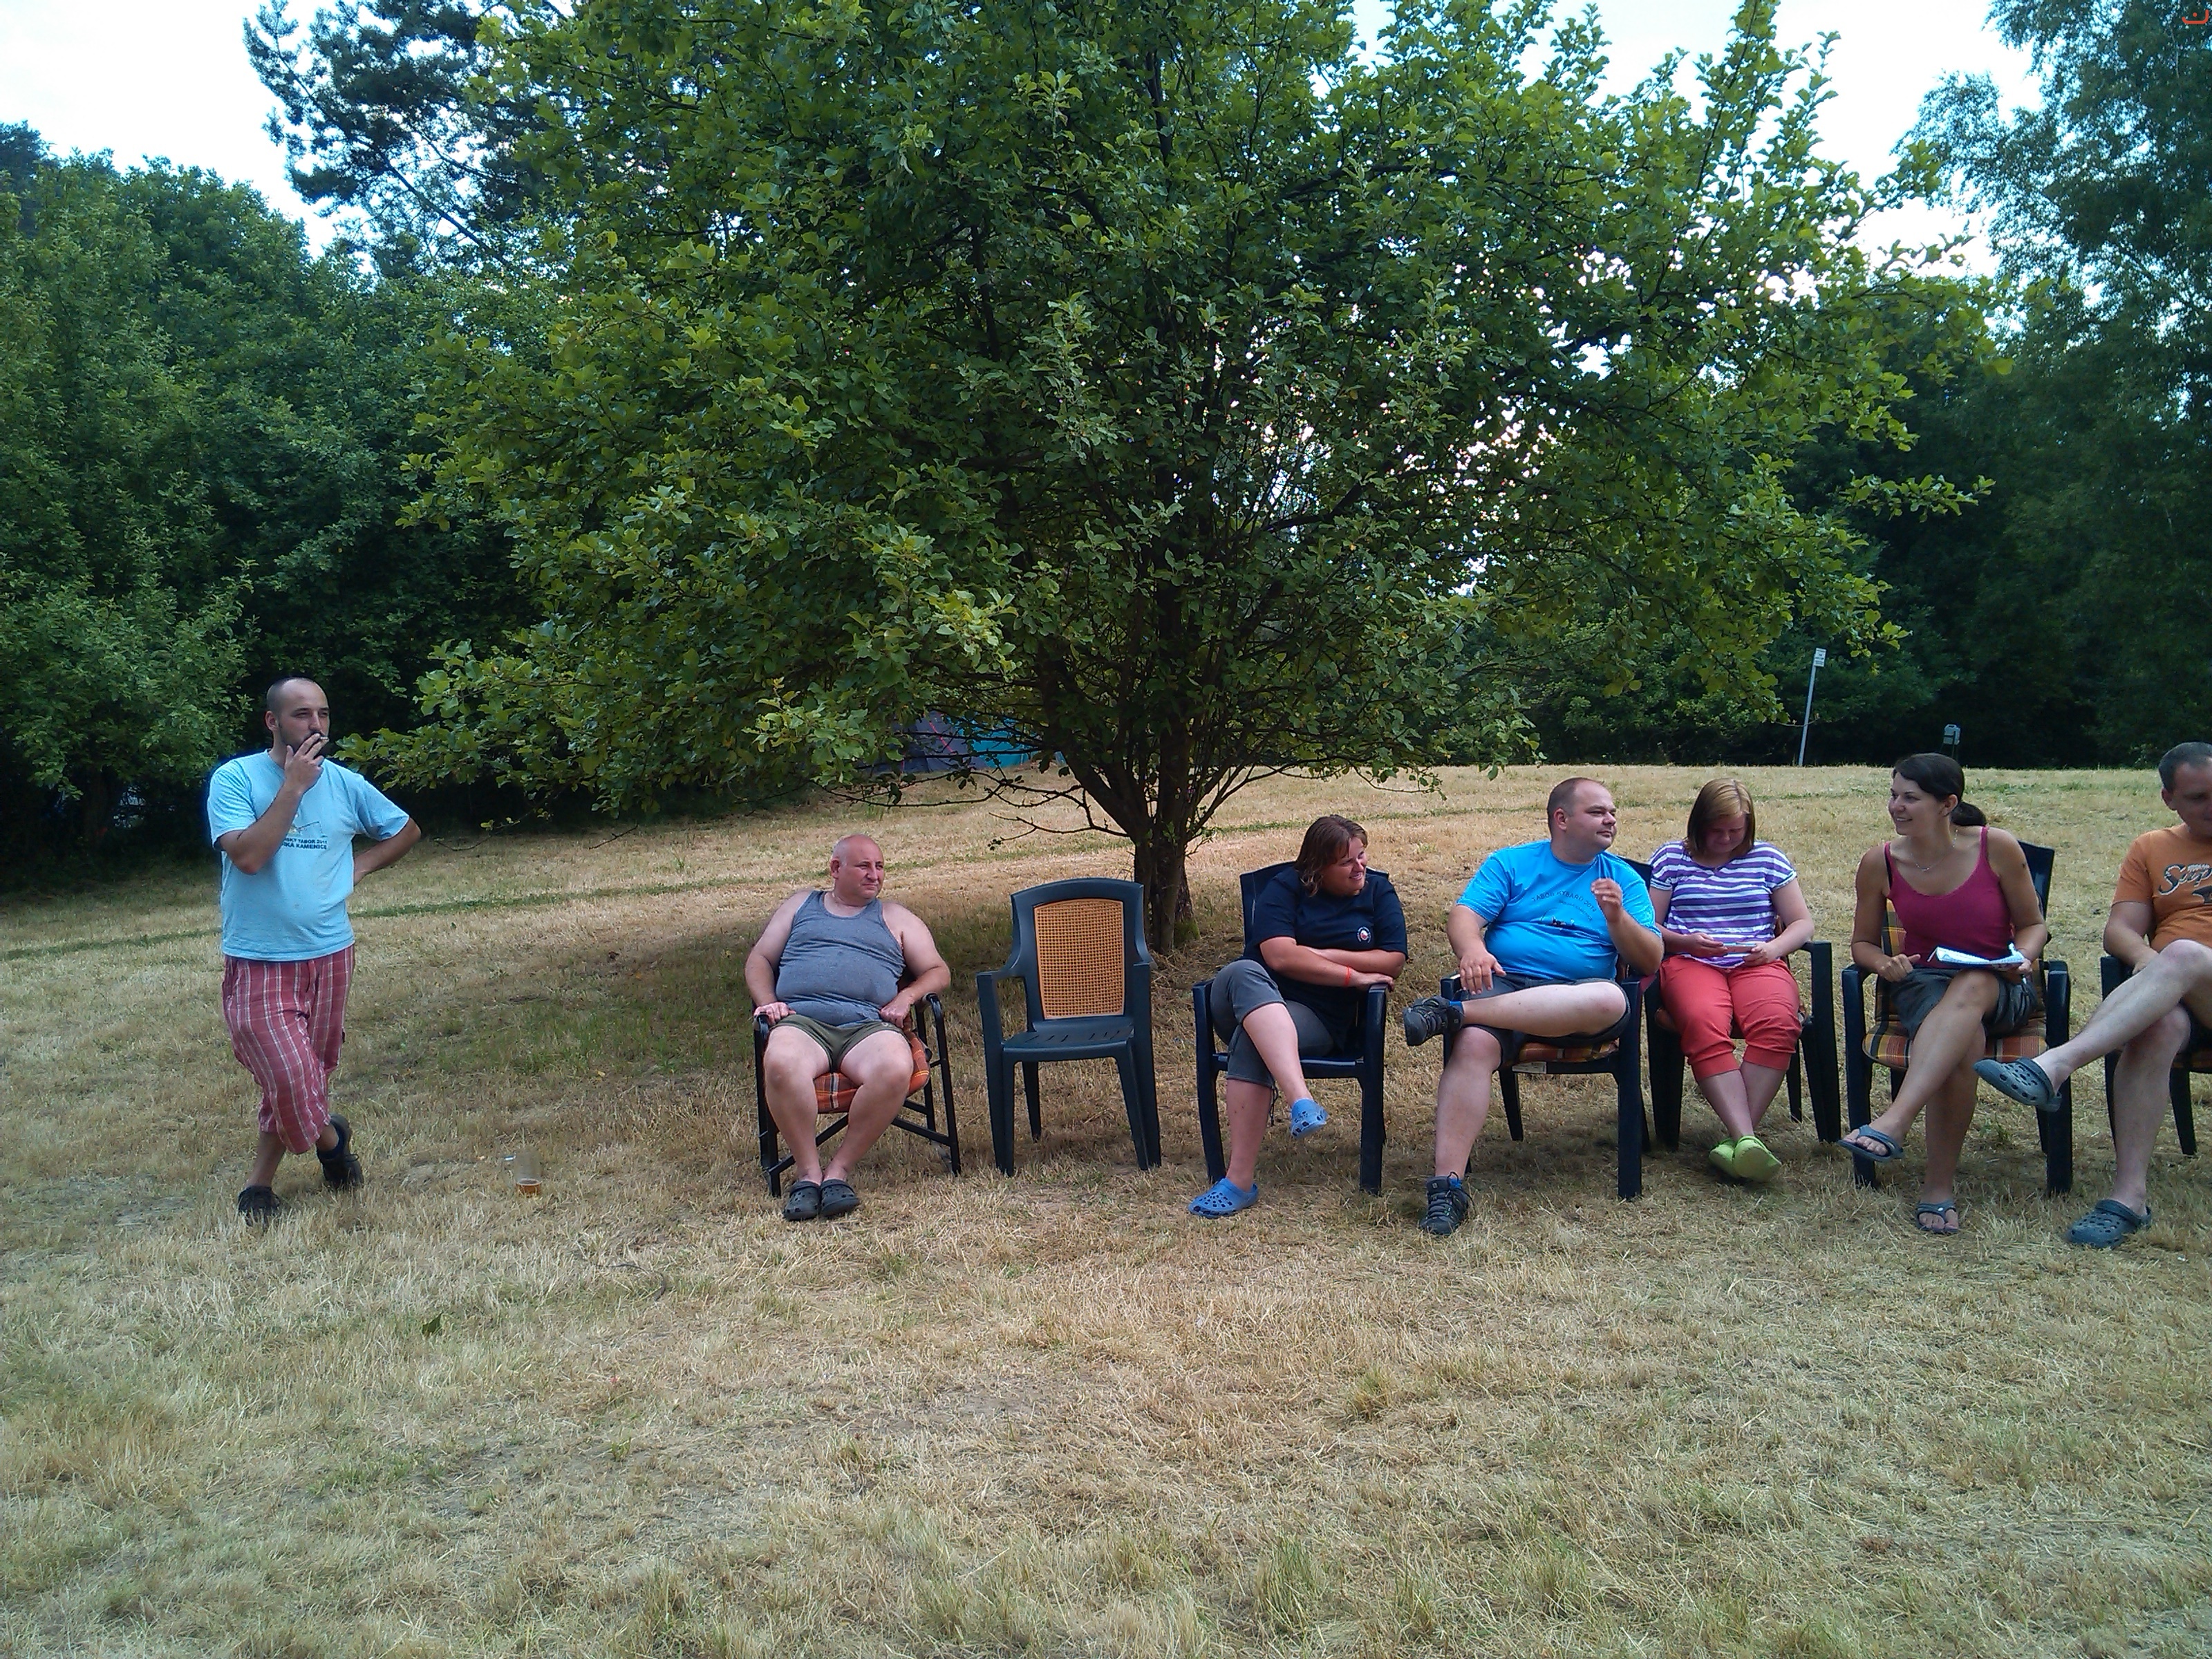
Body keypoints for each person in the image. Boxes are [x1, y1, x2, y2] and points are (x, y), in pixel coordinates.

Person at [1400, 778, 1663, 1237]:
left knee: (1608, 997)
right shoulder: (1512, 863)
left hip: (1578, 1001)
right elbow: (1464, 916)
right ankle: (1447, 1187)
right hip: (1506, 987)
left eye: (1612, 812)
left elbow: (1650, 960)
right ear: (1561, 819)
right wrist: (1472, 950)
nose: (1611, 820)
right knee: (1473, 1047)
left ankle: (1455, 1013)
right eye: (1597, 812)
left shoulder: (1623, 879)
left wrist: (1618, 918)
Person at [1976, 741, 2212, 1246]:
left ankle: (2055, 1066)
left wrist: (2172, 963)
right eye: (2199, 798)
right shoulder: (2152, 848)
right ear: (2169, 799)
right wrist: (2150, 963)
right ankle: (2129, 1198)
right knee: (2158, 1024)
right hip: (2185, 994)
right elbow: (2120, 931)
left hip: (2194, 969)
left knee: (2185, 955)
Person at [208, 675, 422, 1224]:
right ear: (273, 721)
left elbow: (405, 830)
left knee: (309, 1072)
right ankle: (330, 1139)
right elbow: (248, 857)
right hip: (259, 957)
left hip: (329, 954)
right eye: (302, 714)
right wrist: (294, 788)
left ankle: (258, 1187)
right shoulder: (235, 779)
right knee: (288, 1074)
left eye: (323, 714)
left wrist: (359, 867)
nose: (316, 725)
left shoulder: (345, 784)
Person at [1836, 754, 2048, 1235]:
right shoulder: (1880, 862)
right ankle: (1937, 1188)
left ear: (1947, 804)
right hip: (1925, 984)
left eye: (1910, 798)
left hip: (2000, 982)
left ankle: (1894, 1121)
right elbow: (1863, 943)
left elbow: (2033, 924)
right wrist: (1883, 963)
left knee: (1973, 985)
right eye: (1894, 795)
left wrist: (2024, 956)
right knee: (1965, 1038)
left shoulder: (1996, 847)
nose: (1896, 806)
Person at [1187, 815, 1408, 1217]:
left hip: (1316, 1018)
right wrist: (1352, 975)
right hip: (1242, 998)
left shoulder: (1378, 891)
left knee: (1255, 1037)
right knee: (1243, 972)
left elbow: (1393, 959)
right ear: (1318, 868)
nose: (1360, 868)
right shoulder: (1286, 887)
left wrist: (1318, 954)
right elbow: (1279, 956)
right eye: (1346, 862)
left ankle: (1238, 1183)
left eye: (1362, 856)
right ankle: (1300, 1099)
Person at [746, 834, 950, 1221]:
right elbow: (760, 959)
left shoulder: (896, 917)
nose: (875, 875)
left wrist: (907, 997)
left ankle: (838, 1172)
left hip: (868, 1026)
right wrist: (767, 1001)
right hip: (802, 1022)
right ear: (836, 869)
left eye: (880, 866)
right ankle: (808, 1175)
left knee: (895, 1067)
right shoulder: (800, 906)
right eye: (864, 866)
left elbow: (938, 971)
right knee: (781, 1064)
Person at [1648, 778, 1816, 1183]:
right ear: (1698, 824)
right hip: (1691, 960)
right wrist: (1686, 941)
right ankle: (1745, 1137)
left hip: (1756, 961)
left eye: (1735, 831)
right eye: (1716, 830)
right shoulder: (1672, 858)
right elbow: (1648, 924)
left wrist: (1774, 949)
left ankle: (1740, 1141)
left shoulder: (1767, 858)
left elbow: (1802, 923)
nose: (1725, 839)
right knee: (1702, 1020)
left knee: (1779, 1022)